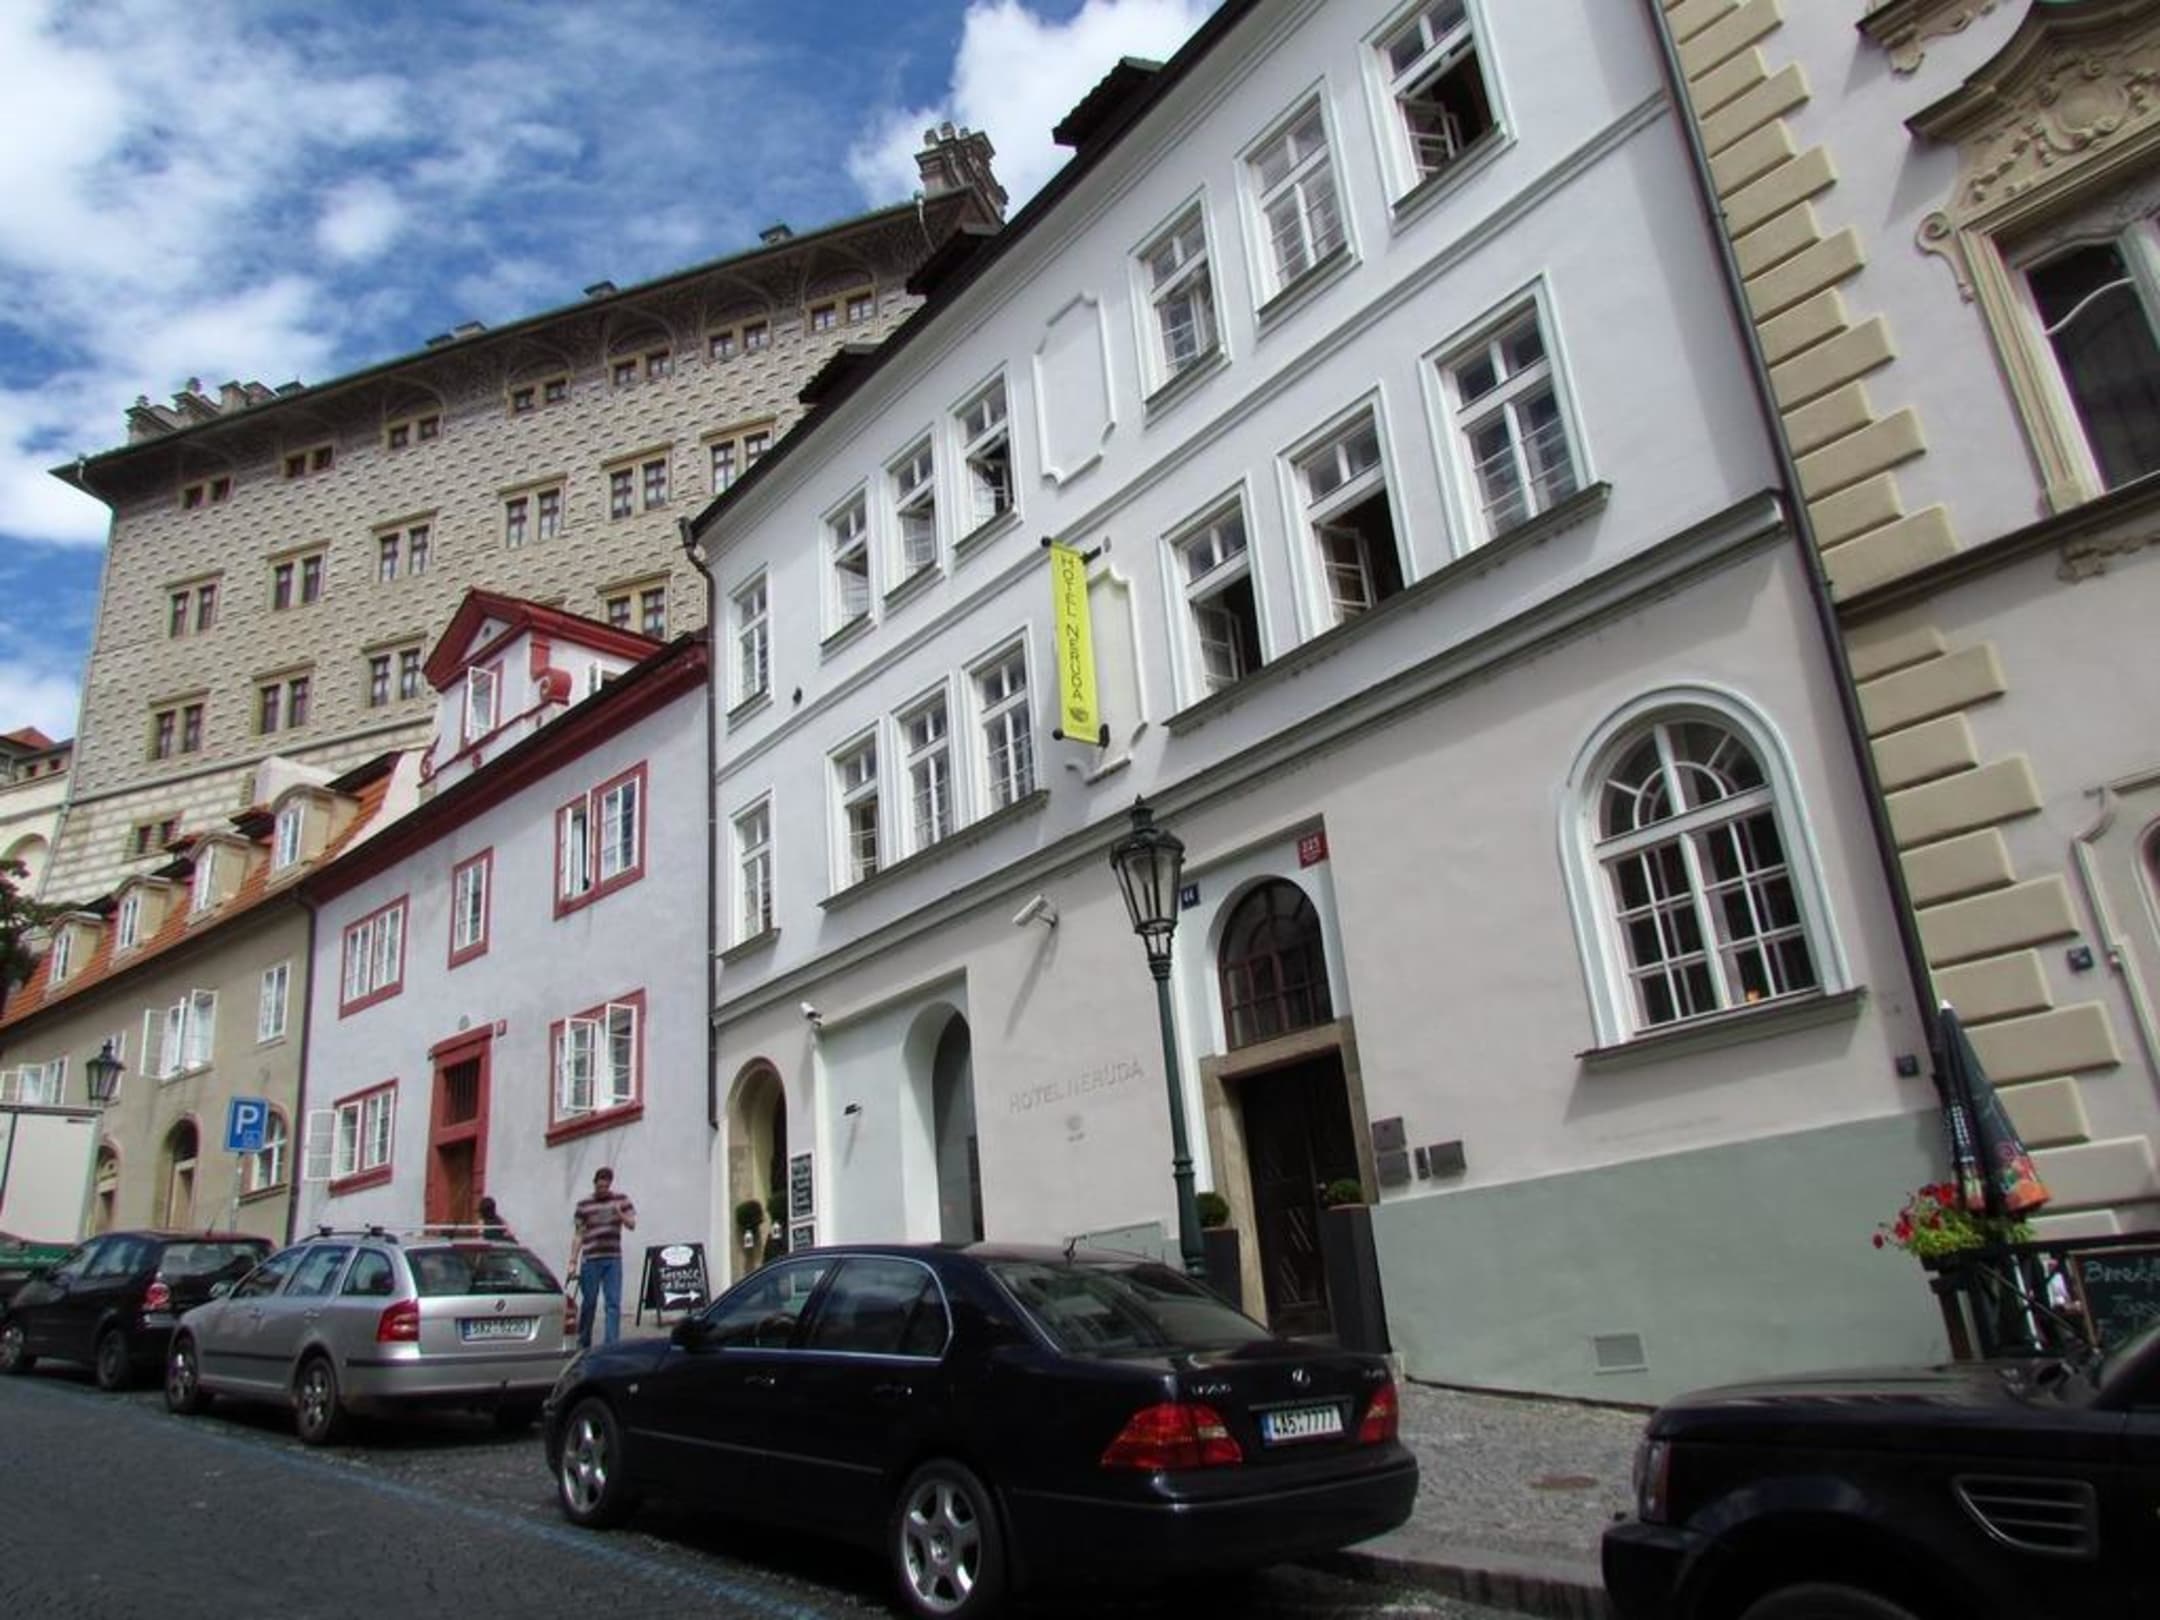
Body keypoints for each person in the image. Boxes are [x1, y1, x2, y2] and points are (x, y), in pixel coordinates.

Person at [568, 1167, 636, 1347]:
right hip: (591, 1258)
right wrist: (573, 1261)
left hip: (612, 1258)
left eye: (605, 1187)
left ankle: (611, 1344)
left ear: (610, 1184)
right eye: (599, 1187)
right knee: (589, 1302)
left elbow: (632, 1224)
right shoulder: (584, 1205)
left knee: (613, 1302)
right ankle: (584, 1341)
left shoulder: (621, 1200)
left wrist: (620, 1213)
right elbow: (578, 1234)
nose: (602, 1190)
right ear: (594, 1184)